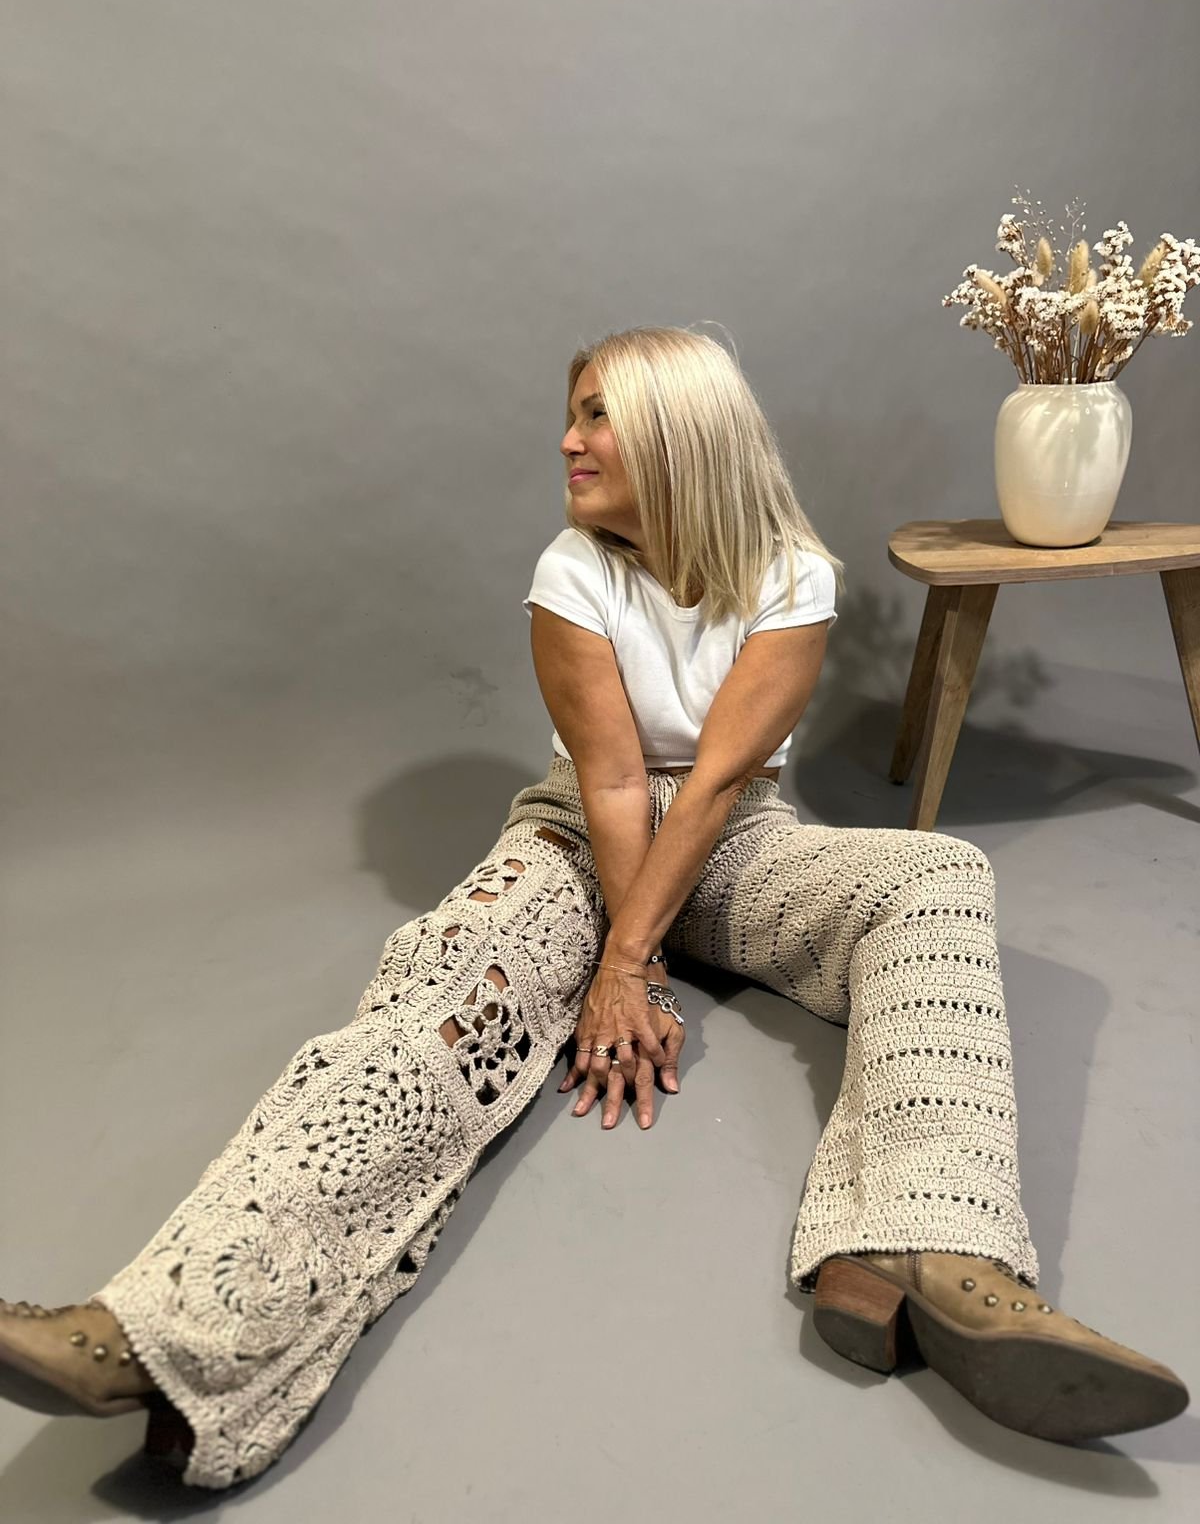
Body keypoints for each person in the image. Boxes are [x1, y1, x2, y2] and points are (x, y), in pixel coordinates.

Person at [0, 324, 1188, 1490]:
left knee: (939, 874)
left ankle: (938, 1244)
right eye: (570, 416)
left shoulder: (795, 573)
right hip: (578, 836)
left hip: (733, 836)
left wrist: (630, 964)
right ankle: (162, 1329)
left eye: (597, 416)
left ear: (679, 435)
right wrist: (628, 956)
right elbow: (615, 780)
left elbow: (715, 781)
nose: (567, 441)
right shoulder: (571, 572)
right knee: (439, 992)